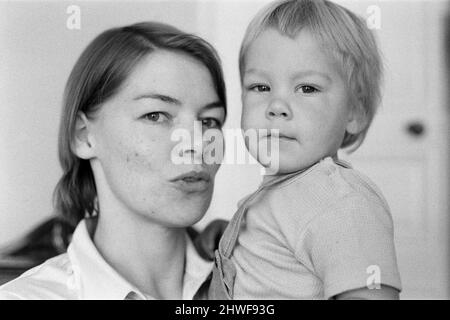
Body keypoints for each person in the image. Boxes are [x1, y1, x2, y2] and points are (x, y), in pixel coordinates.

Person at [0, 21, 227, 300]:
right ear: (84, 136)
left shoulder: (256, 282)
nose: (196, 143)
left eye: (209, 121)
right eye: (156, 115)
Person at [209, 0, 402, 300]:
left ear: (355, 112)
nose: (276, 107)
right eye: (260, 87)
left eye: (307, 88)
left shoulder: (343, 204)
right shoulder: (284, 192)